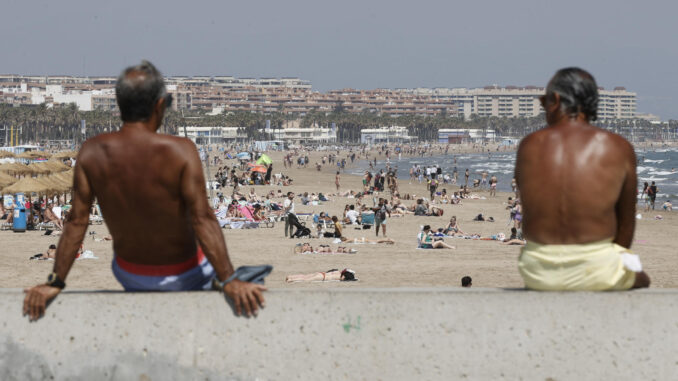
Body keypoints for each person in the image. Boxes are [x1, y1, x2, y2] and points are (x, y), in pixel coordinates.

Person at [23, 61, 266, 321]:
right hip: (184, 272)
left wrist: (55, 281)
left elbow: (76, 222)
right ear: (159, 105)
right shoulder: (180, 151)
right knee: (258, 274)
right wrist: (228, 278)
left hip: (129, 272)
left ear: (119, 104)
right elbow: (203, 218)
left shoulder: (92, 151)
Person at [515, 67, 650, 291]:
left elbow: (533, 206)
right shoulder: (618, 146)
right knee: (642, 278)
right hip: (598, 268)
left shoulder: (529, 145)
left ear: (555, 100)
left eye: (543, 101)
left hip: (537, 269)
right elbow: (626, 224)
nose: (543, 107)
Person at [285, 268, 357, 282]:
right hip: (322, 277)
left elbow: (347, 270)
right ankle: (291, 279)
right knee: (305, 279)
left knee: (305, 276)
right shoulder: (340, 277)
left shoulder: (338, 272)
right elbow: (344, 278)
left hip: (321, 273)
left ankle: (290, 276)